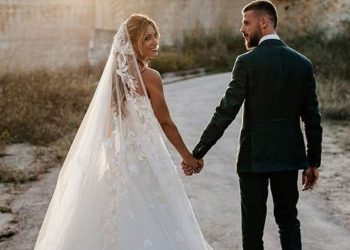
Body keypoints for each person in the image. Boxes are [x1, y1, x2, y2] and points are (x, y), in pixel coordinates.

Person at [34, 14, 211, 250]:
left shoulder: (115, 79)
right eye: (147, 37)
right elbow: (166, 123)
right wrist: (187, 156)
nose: (155, 41)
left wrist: (110, 154)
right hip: (147, 155)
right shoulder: (151, 77)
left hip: (121, 154)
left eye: (155, 34)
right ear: (133, 43)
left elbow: (106, 126)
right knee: (157, 213)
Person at [182, 1, 322, 249]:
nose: (241, 29)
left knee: (253, 230)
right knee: (289, 221)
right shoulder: (303, 64)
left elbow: (226, 112)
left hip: (252, 158)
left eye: (246, 22)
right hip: (288, 158)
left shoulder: (246, 62)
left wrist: (197, 152)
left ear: (264, 22)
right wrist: (314, 162)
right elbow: (312, 119)